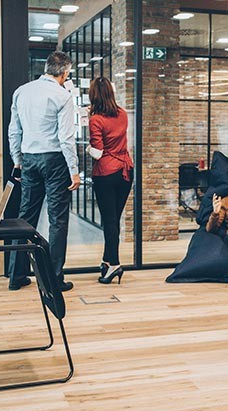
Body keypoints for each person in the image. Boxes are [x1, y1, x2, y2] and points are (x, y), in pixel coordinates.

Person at [7, 51, 80, 292]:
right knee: (58, 220)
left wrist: (17, 159)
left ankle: (16, 276)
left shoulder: (22, 91)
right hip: (55, 160)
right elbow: (67, 138)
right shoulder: (62, 95)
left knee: (25, 217)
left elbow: (14, 131)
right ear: (65, 73)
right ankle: (53, 280)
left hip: (29, 159)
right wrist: (74, 170)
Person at [87, 77, 134, 284]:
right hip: (125, 171)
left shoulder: (96, 119)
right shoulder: (123, 113)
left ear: (93, 95)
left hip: (106, 173)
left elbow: (97, 153)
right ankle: (107, 260)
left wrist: (86, 147)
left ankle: (114, 264)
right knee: (113, 220)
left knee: (109, 221)